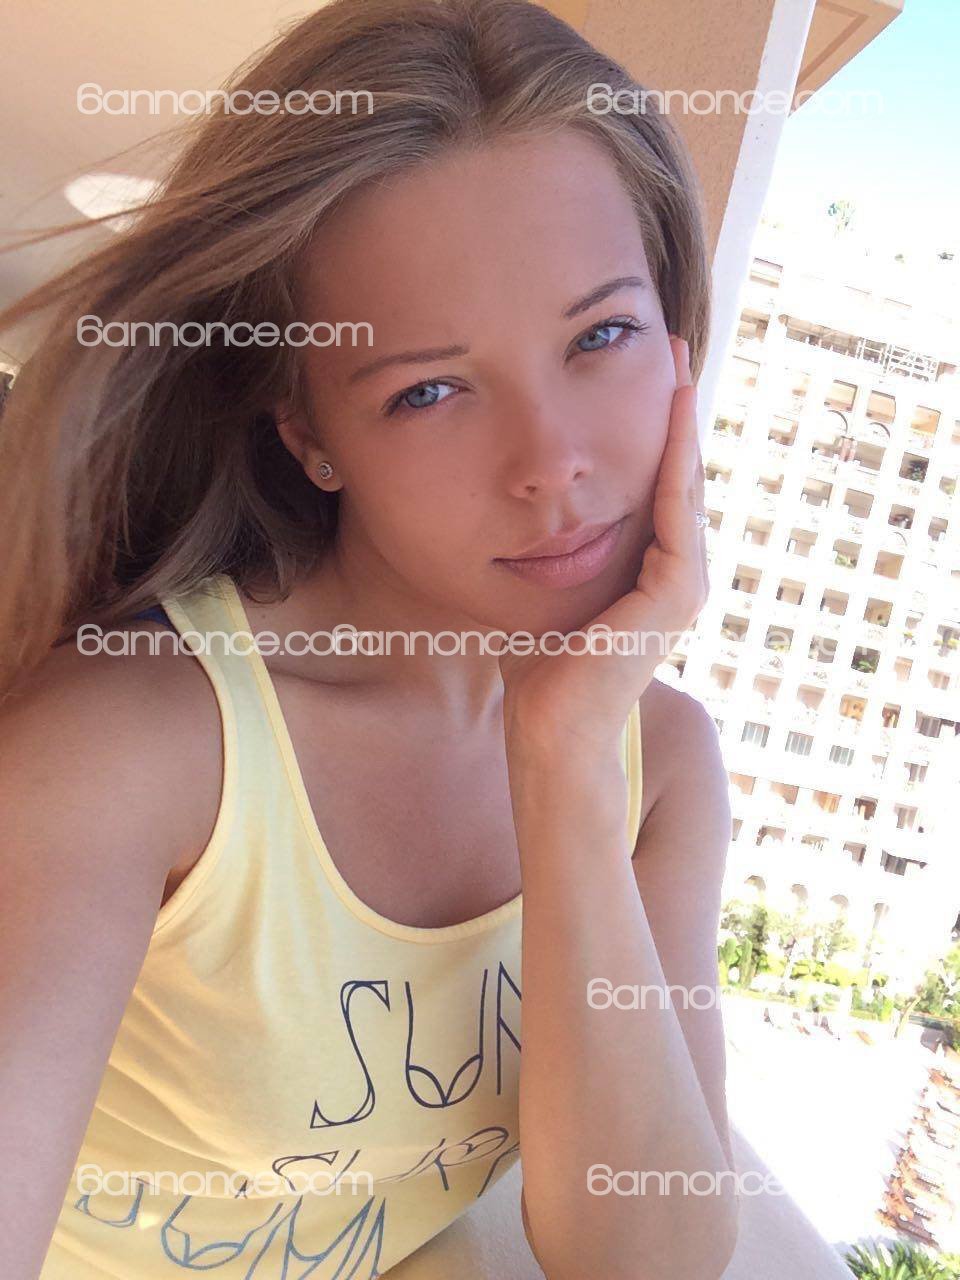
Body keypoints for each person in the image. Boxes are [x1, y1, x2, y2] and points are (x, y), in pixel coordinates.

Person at [0, 1, 738, 1276]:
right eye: (429, 389)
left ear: (677, 338)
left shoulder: (653, 761)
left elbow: (651, 1254)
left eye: (601, 334)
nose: (551, 464)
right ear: (309, 436)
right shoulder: (136, 744)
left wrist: (562, 758)